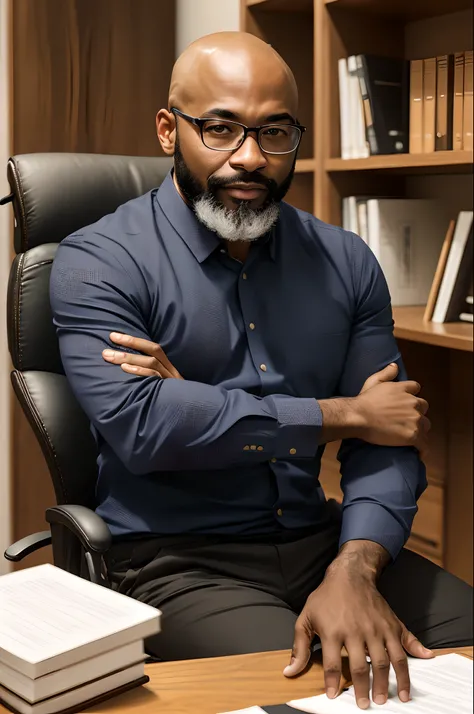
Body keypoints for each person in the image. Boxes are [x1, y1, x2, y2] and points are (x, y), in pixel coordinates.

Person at [50, 31, 472, 710]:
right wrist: (342, 413)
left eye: (275, 132)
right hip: (178, 560)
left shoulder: (346, 261)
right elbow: (145, 430)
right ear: (169, 130)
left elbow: (388, 439)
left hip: (322, 542)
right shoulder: (98, 261)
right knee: (318, 692)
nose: (249, 157)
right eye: (219, 128)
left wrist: (355, 566)